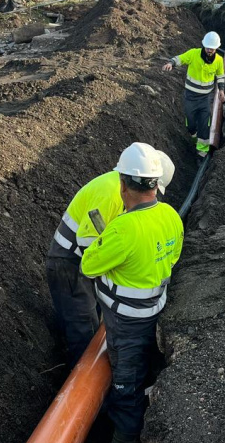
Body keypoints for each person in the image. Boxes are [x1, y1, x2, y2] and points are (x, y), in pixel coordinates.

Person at [76, 142, 184, 443]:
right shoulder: (170, 215)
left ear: (123, 184)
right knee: (140, 379)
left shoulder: (123, 229)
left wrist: (104, 236)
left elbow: (89, 265)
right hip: (154, 315)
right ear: (155, 184)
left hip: (125, 326)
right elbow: (174, 256)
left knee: (126, 399)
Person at [45, 146, 175, 368]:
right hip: (70, 263)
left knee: (93, 317)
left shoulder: (126, 192)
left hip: (88, 260)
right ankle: (81, 380)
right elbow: (88, 242)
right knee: (82, 325)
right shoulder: (110, 195)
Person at [162, 31, 225, 158]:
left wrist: (221, 90)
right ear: (204, 46)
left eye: (212, 49)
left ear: (216, 48)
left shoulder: (219, 60)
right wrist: (171, 63)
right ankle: (194, 138)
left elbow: (220, 75)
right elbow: (180, 58)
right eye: (208, 48)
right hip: (190, 97)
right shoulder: (193, 54)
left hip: (205, 99)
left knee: (204, 124)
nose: (209, 50)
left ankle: (201, 153)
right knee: (190, 124)